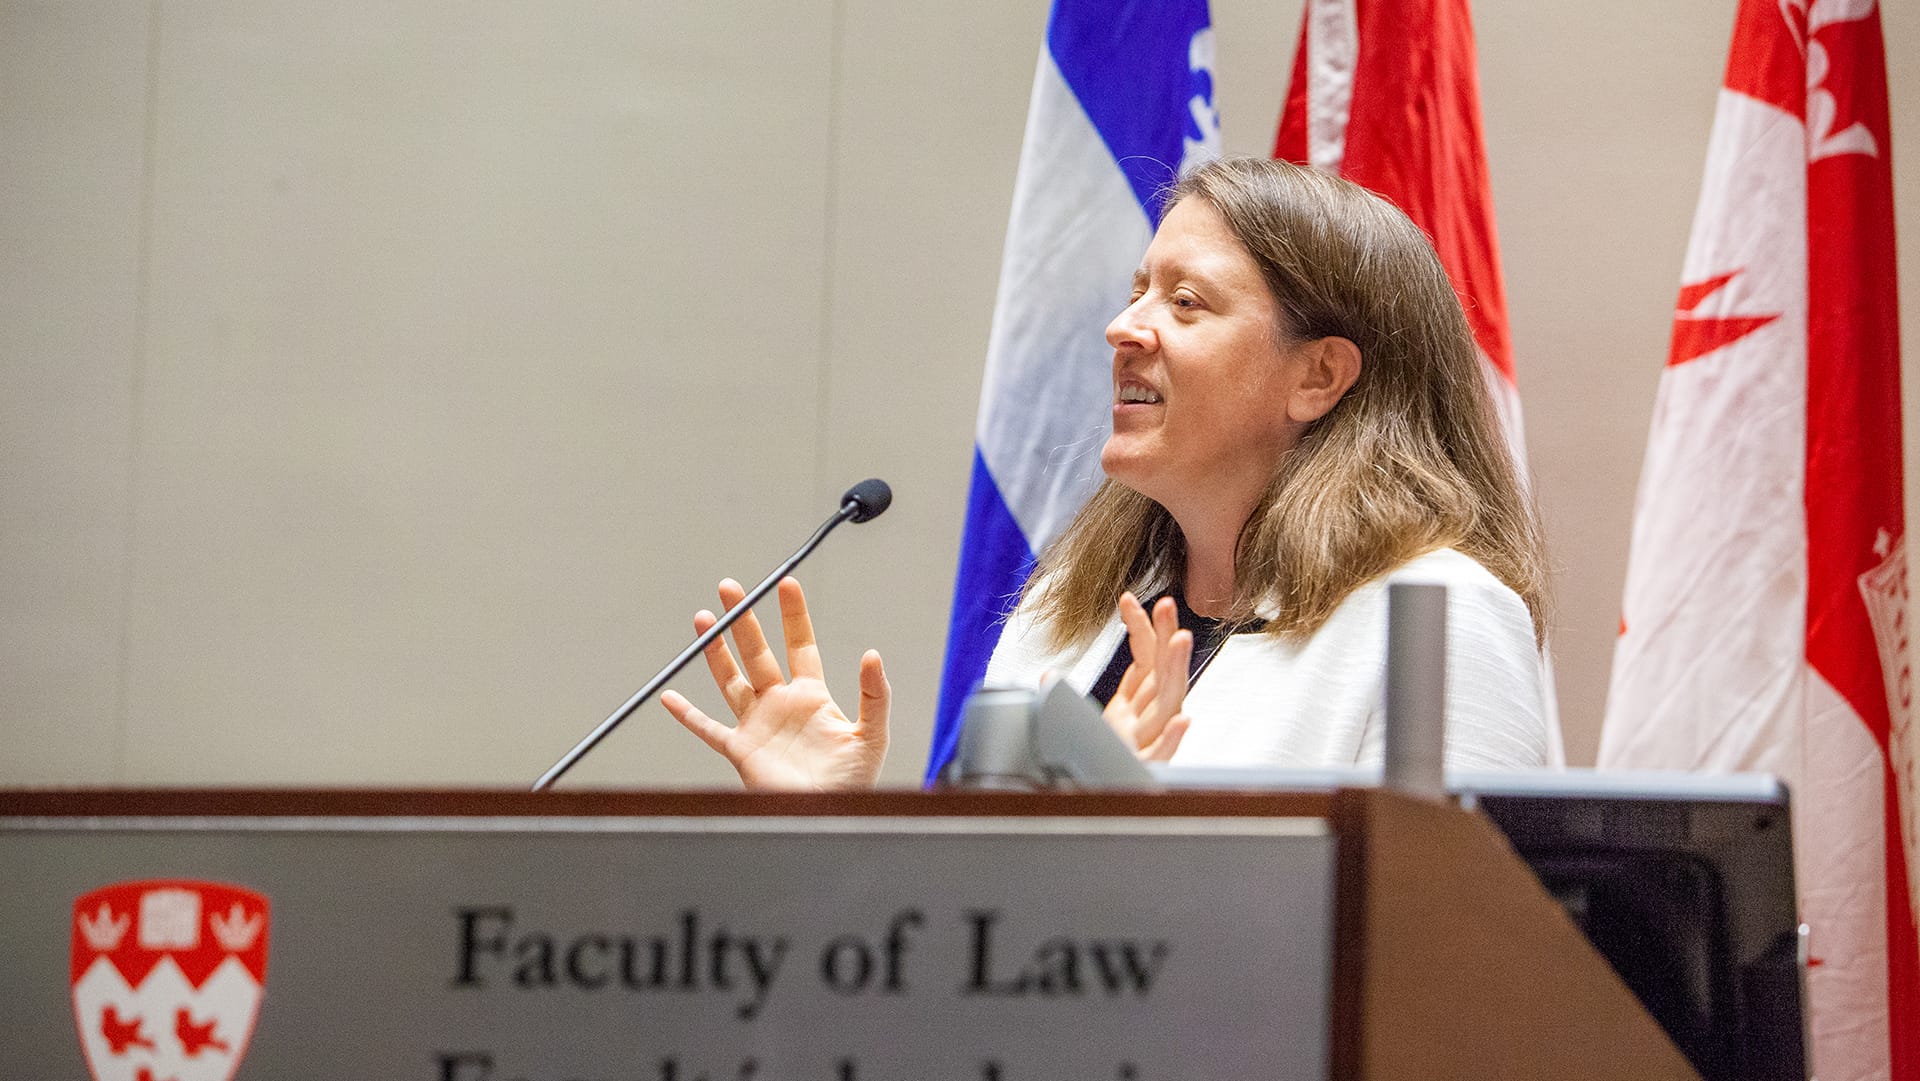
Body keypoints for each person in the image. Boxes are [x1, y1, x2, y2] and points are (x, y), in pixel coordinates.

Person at [661, 157, 1552, 790]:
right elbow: (974, 948)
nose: (1125, 325)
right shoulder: (1067, 614)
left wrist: (1123, 835)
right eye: (1139, 289)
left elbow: (1457, 969)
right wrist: (833, 827)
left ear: (1318, 376)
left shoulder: (1439, 620)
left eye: (1186, 301)